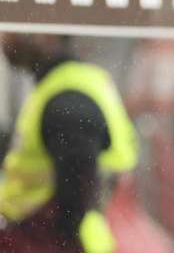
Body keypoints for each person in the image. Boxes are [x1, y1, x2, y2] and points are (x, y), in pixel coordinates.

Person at [0, 33, 138, 253]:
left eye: (13, 28)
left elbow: (75, 198)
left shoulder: (68, 100)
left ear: (47, 35)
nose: (5, 37)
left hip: (65, 243)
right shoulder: (67, 85)